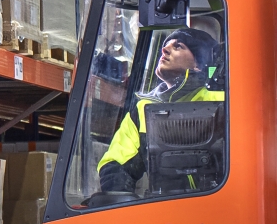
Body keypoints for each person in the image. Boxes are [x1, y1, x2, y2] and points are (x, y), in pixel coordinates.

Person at [95, 26, 226, 195]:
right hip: (166, 211)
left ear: (198, 65)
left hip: (221, 208)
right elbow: (116, 163)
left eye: (178, 46)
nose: (164, 49)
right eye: (166, 45)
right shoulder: (143, 109)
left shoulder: (222, 101)